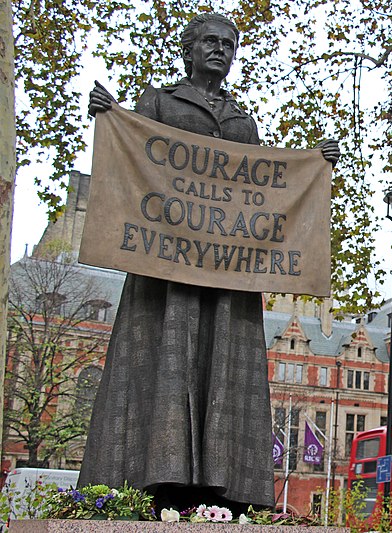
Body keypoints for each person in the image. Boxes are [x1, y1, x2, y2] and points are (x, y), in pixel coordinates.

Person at [79, 12, 340, 514]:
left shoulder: (244, 123)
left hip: (228, 274)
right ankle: (150, 477)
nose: (220, 50)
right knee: (165, 359)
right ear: (190, 50)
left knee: (222, 364)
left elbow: (265, 190)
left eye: (229, 44)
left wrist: (314, 161)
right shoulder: (156, 101)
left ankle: (219, 487)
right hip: (166, 269)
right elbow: (135, 160)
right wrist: (110, 117)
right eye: (210, 42)